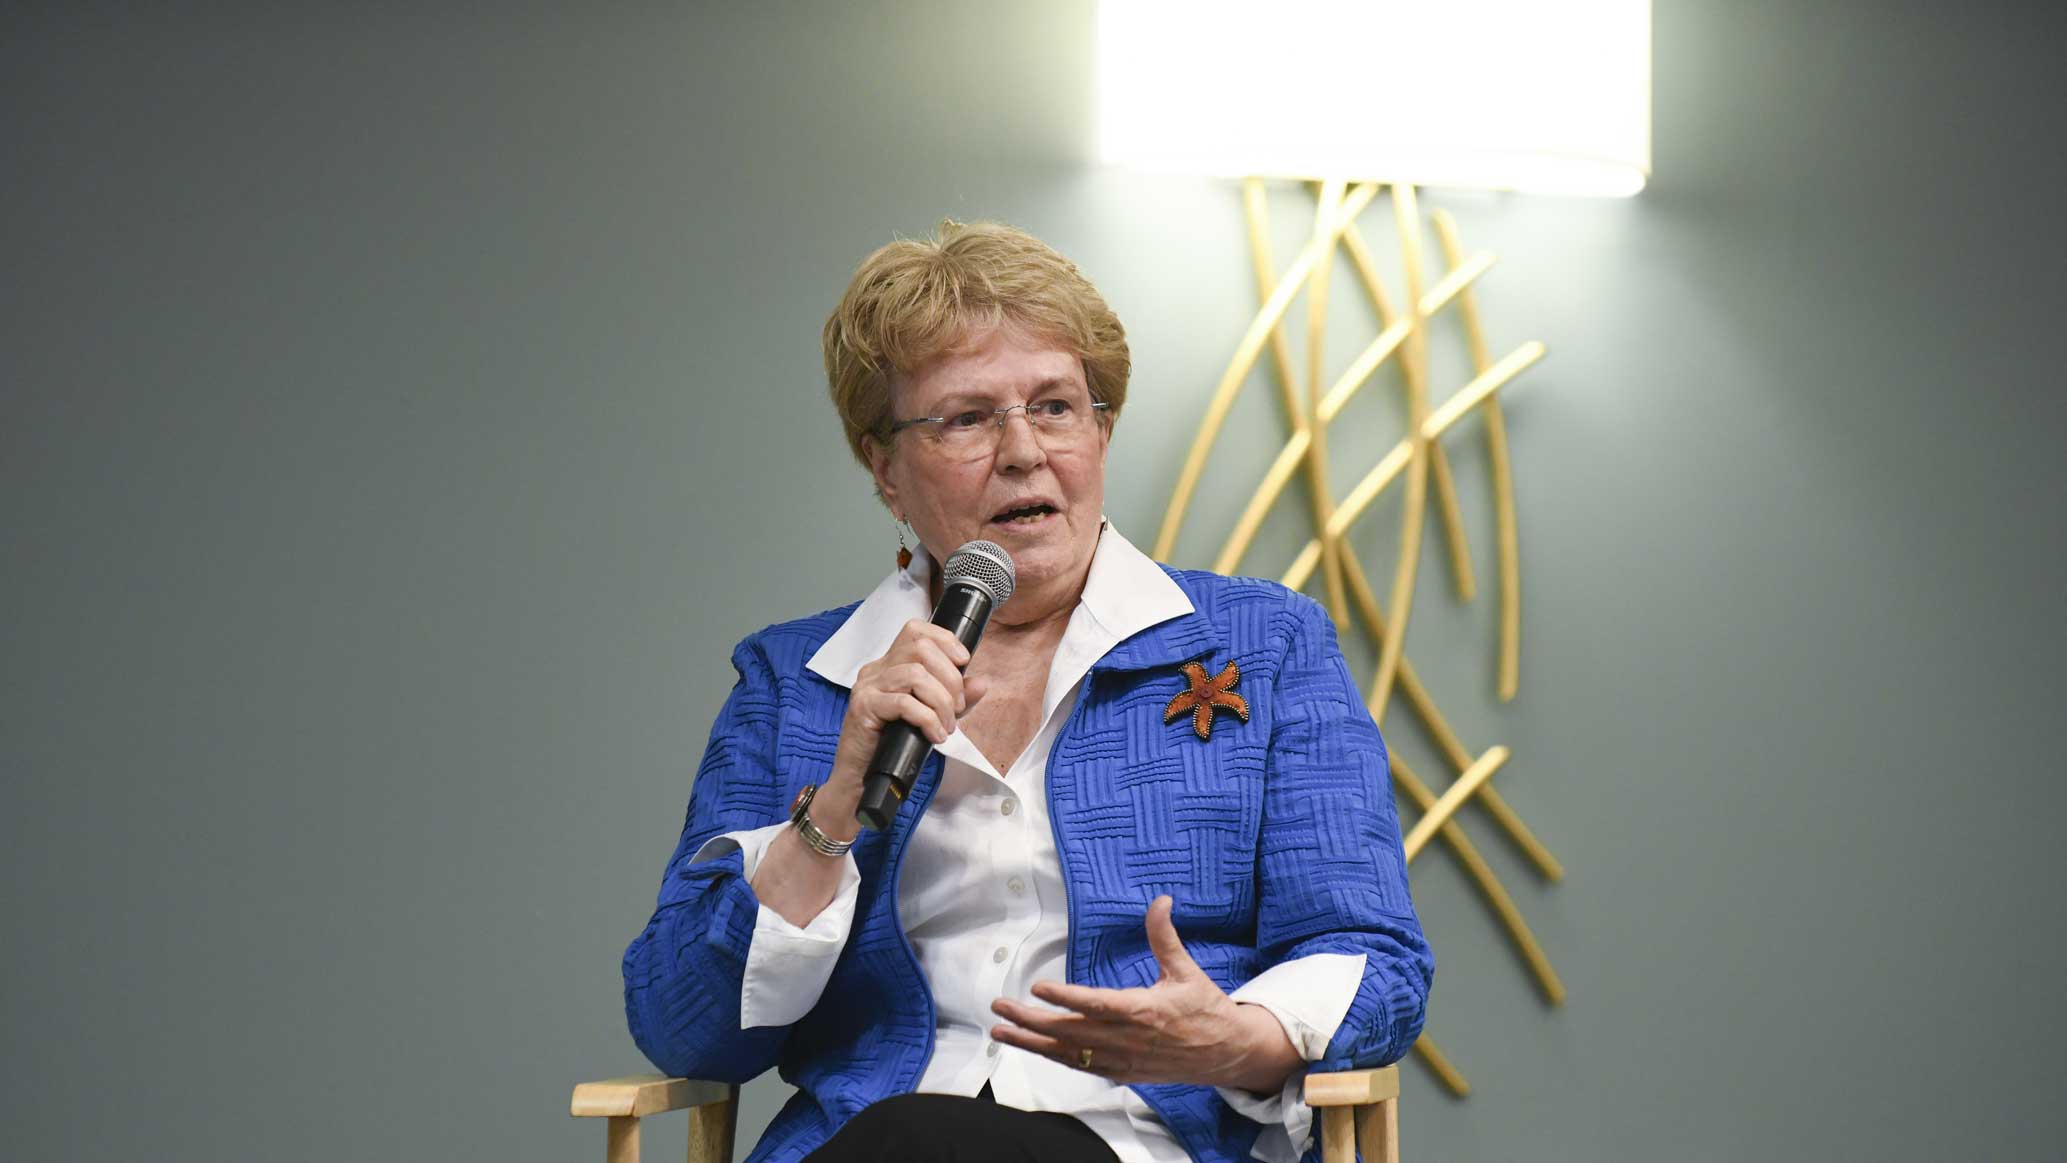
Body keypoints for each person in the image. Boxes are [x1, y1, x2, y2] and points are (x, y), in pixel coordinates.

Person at [622, 220, 1432, 1163]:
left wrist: (1233, 1039)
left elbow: (1373, 956)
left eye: (1054, 406)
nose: (1021, 450)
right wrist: (833, 810)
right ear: (883, 468)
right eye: (965, 418)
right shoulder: (795, 682)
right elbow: (680, 1023)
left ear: (1101, 428)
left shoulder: (1266, 643)